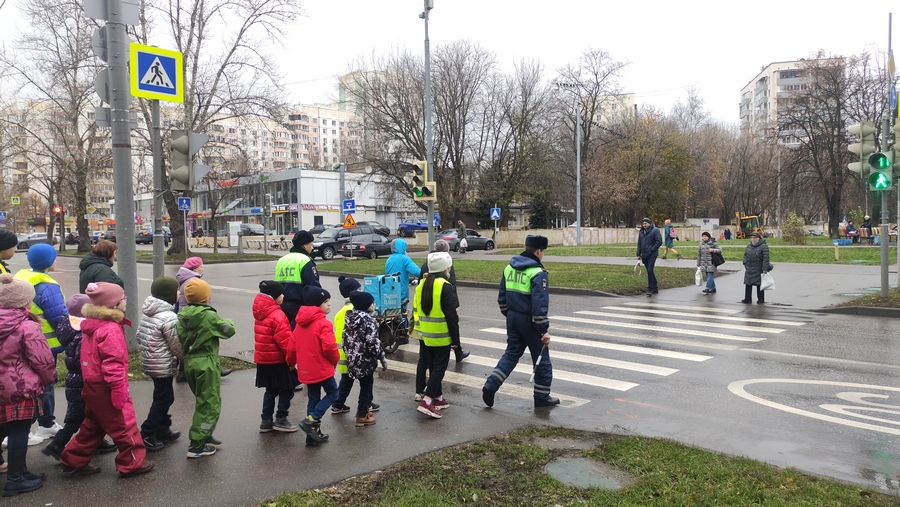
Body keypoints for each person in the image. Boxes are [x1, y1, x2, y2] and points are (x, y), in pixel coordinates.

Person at [59, 282, 155, 478]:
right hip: (108, 386)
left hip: (92, 385)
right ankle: (132, 463)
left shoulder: (93, 326)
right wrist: (119, 391)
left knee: (93, 426)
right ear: (112, 305)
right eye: (122, 300)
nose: (125, 302)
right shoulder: (110, 329)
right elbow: (113, 363)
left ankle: (73, 460)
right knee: (124, 425)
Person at [482, 236, 557, 409]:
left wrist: (510, 315)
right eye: (543, 251)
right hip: (530, 321)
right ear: (538, 251)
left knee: (511, 353)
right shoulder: (538, 273)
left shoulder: (509, 268)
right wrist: (543, 330)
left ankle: (491, 384)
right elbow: (539, 306)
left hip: (513, 318)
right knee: (541, 357)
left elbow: (502, 297)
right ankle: (542, 396)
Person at [41, 294, 117, 460]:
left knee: (90, 415)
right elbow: (86, 361)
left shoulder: (69, 328)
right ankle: (56, 446)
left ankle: (96, 442)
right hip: (83, 381)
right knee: (78, 418)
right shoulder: (83, 335)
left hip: (75, 380)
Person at [0, 274, 55, 496]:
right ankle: (15, 478)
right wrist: (48, 378)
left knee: (5, 427)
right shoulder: (26, 325)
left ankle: (21, 471)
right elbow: (42, 359)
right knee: (19, 431)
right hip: (20, 386)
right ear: (24, 302)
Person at [177, 279, 234, 458]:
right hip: (206, 362)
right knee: (209, 404)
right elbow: (228, 330)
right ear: (206, 297)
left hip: (190, 362)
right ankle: (197, 444)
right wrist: (227, 320)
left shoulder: (183, 315)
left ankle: (205, 434)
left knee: (203, 400)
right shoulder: (208, 316)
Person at [14, 244, 66, 443]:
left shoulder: (23, 277)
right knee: (45, 384)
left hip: (22, 341)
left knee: (26, 383)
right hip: (43, 344)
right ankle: (41, 424)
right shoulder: (45, 284)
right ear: (48, 262)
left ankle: (41, 424)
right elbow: (58, 316)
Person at [136, 277, 184, 451]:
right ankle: (147, 433)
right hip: (162, 364)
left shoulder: (149, 312)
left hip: (151, 361)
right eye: (177, 290)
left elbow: (139, 336)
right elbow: (176, 344)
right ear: (169, 294)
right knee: (164, 398)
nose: (180, 293)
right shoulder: (169, 317)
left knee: (163, 396)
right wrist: (185, 359)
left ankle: (163, 429)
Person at [412, 252, 460, 419]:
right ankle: (427, 401)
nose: (449, 270)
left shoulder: (421, 284)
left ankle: (438, 397)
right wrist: (456, 340)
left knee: (433, 366)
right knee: (439, 368)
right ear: (445, 268)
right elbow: (451, 316)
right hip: (441, 334)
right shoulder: (445, 286)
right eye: (449, 267)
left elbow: (416, 310)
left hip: (426, 333)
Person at [293, 286, 339, 445]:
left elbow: (292, 346)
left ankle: (312, 437)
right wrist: (335, 360)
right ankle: (311, 420)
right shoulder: (323, 324)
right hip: (322, 368)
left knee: (313, 399)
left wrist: (291, 363)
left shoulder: (299, 324)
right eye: (325, 302)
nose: (329, 304)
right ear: (316, 305)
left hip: (307, 369)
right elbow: (329, 347)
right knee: (334, 394)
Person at [253, 280, 299, 433]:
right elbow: (286, 341)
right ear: (274, 297)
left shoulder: (260, 312)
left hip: (264, 359)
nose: (283, 296)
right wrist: (292, 360)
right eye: (281, 294)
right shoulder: (278, 315)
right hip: (278, 360)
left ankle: (266, 420)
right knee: (289, 387)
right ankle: (281, 418)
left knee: (271, 390)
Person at [174, 258, 230, 382]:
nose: (202, 268)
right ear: (194, 268)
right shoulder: (193, 281)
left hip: (187, 314)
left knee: (187, 344)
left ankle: (183, 373)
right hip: (196, 315)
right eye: (201, 266)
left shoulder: (185, 279)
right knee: (200, 344)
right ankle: (208, 370)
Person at [330, 276, 380, 415]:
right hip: (356, 353)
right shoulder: (357, 310)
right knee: (366, 381)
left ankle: (338, 403)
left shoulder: (341, 311)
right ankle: (366, 404)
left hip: (342, 352)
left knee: (346, 380)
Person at [342, 291, 387, 428]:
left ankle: (365, 411)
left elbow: (345, 339)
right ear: (366, 305)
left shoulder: (349, 317)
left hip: (352, 358)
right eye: (372, 302)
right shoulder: (368, 320)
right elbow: (372, 342)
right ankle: (361, 415)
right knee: (366, 387)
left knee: (362, 385)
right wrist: (381, 356)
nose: (374, 305)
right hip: (365, 360)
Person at [420, 239, 469, 362]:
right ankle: (458, 352)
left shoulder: (426, 263)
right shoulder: (445, 266)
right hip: (443, 301)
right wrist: (455, 305)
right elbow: (451, 286)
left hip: (426, 302)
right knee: (451, 324)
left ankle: (427, 359)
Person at [275, 230, 320, 329]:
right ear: (304, 246)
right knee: (299, 337)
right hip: (300, 306)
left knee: (286, 336)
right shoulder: (305, 260)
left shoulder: (282, 260)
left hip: (282, 305)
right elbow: (313, 287)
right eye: (311, 244)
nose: (312, 247)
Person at [384, 238, 421, 311]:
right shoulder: (405, 259)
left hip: (390, 290)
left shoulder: (389, 259)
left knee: (392, 312)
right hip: (401, 290)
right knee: (402, 312)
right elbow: (417, 272)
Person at [741, 232, 770, 305]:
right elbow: (745, 255)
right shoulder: (749, 246)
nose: (752, 239)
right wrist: (745, 262)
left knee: (759, 284)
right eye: (751, 238)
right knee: (748, 283)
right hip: (749, 267)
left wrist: (765, 268)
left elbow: (766, 258)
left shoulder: (763, 246)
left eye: (754, 238)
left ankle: (760, 299)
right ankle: (747, 298)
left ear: (759, 238)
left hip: (758, 267)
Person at [636, 218, 662, 297]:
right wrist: (638, 253)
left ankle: (650, 288)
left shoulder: (655, 230)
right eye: (643, 223)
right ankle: (655, 287)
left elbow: (659, 241)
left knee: (650, 270)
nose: (644, 225)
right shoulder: (641, 232)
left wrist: (652, 249)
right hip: (644, 254)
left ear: (649, 223)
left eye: (646, 223)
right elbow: (639, 243)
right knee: (649, 271)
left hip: (652, 254)